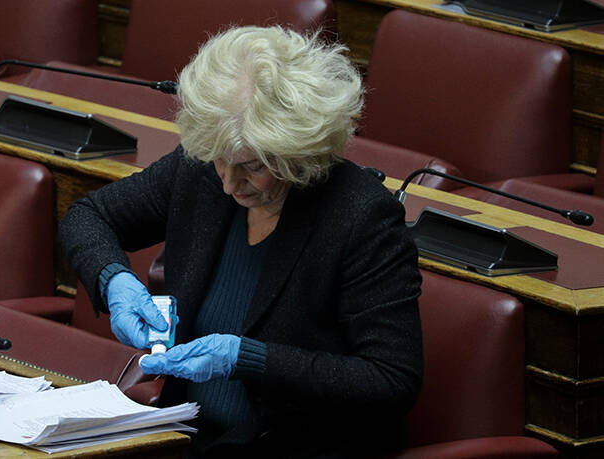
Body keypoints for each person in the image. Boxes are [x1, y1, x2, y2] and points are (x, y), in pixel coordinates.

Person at [59, 25, 423, 458]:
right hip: (183, 437)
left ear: (298, 150)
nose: (230, 183)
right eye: (220, 160)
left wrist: (248, 358)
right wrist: (115, 281)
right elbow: (89, 216)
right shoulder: (200, 169)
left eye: (252, 166)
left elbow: (390, 380)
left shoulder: (362, 218)